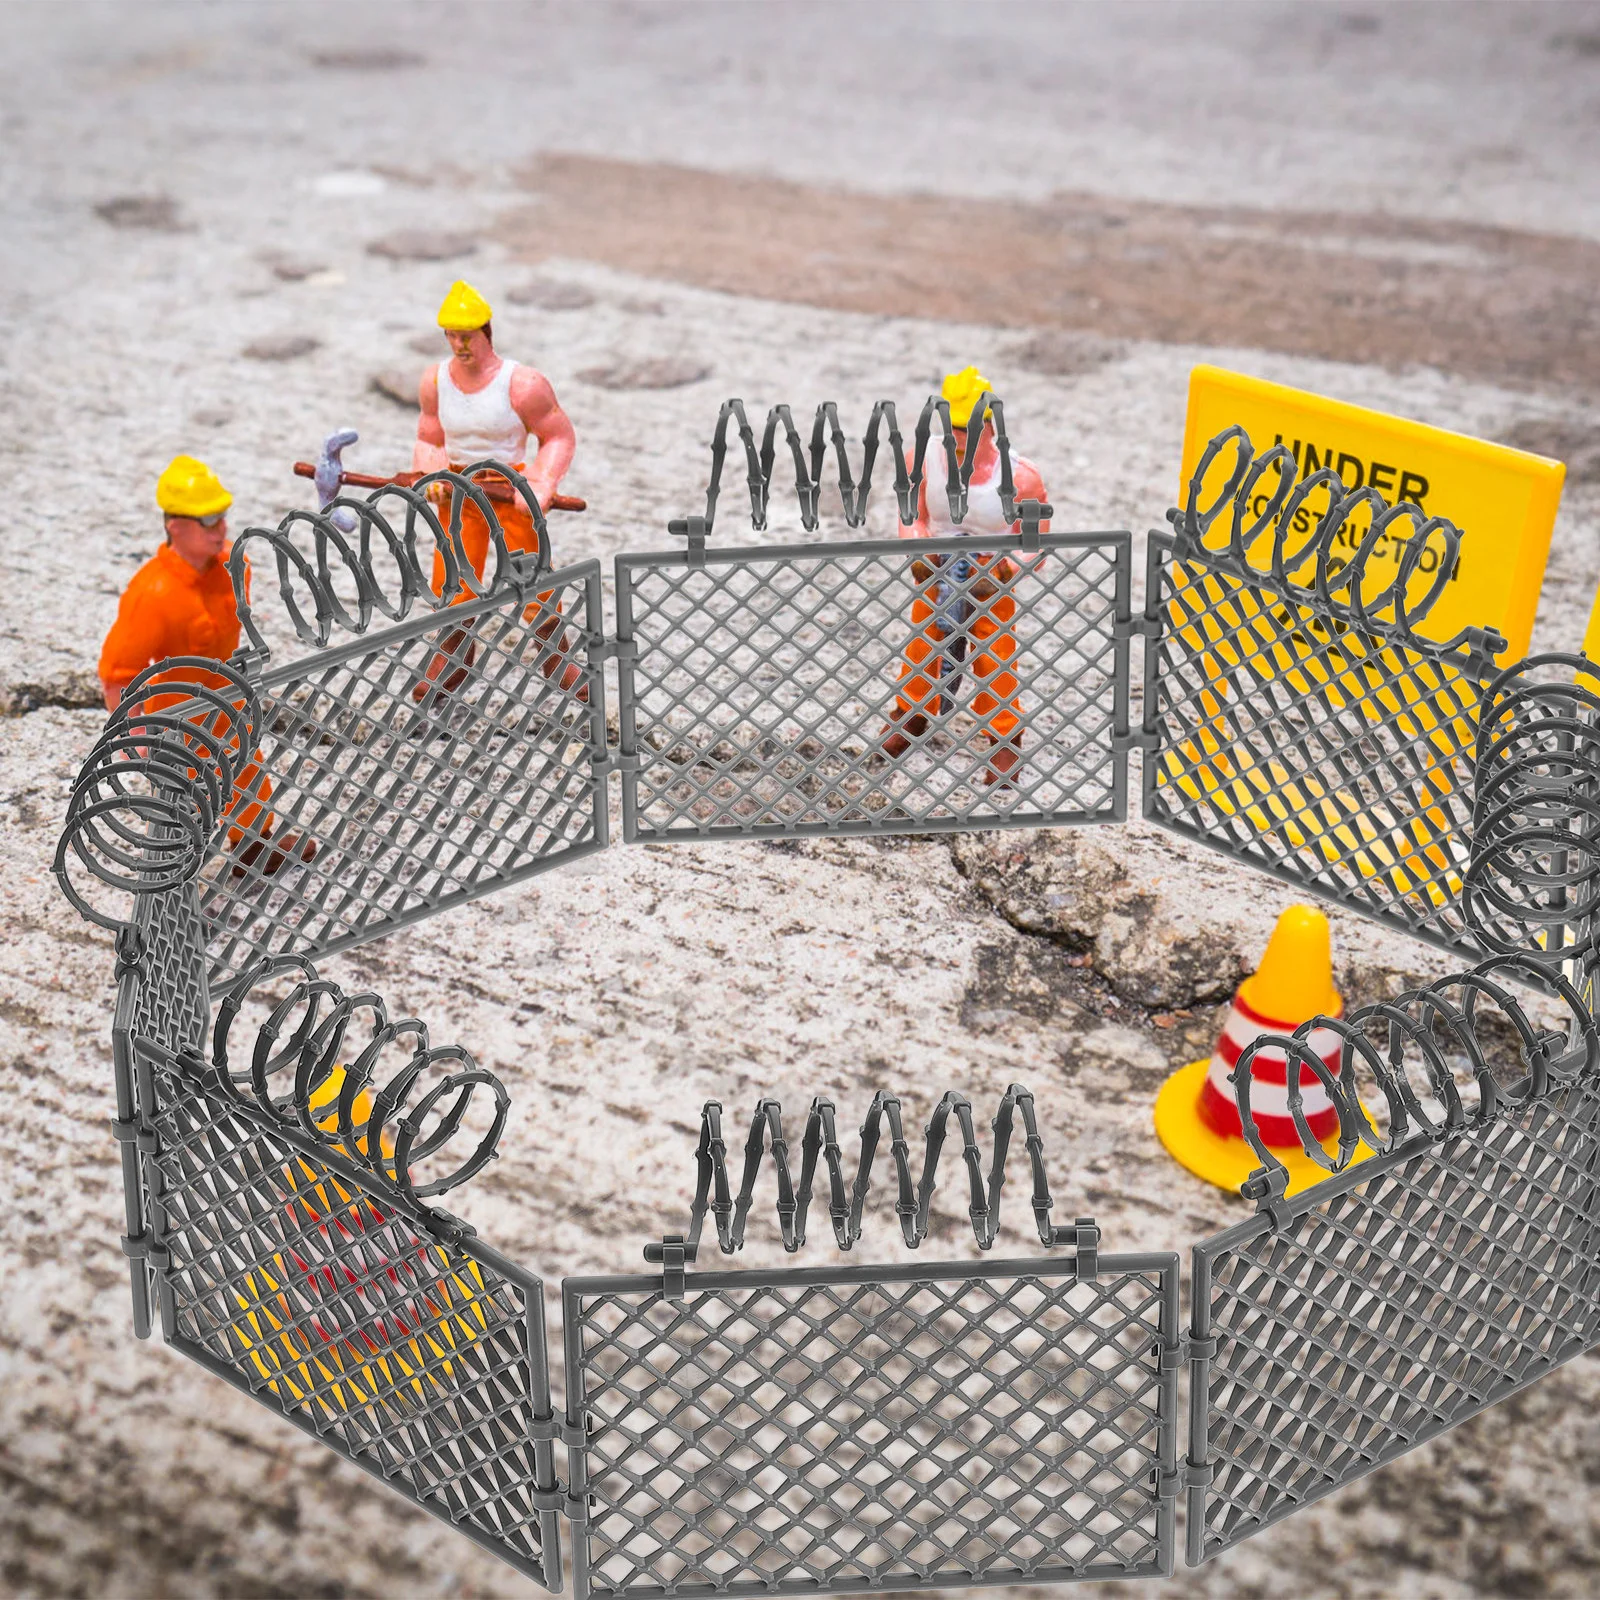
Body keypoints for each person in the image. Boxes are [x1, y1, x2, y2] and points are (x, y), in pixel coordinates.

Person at [99, 455, 314, 875]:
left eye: (223, 518)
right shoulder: (153, 594)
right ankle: (170, 872)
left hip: (226, 696)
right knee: (182, 794)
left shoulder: (235, 568)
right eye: (209, 521)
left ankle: (254, 844)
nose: (222, 530)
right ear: (175, 525)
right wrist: (136, 732)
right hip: (177, 709)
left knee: (247, 771)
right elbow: (117, 672)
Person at [881, 367, 1051, 788]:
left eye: (970, 427)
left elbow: (1035, 542)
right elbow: (911, 514)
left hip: (990, 573)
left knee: (996, 652)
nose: (960, 437)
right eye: (954, 426)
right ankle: (912, 713)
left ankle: (1005, 733)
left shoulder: (1021, 476)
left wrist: (1005, 570)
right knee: (923, 640)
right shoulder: (921, 458)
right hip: (938, 563)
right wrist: (917, 548)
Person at [411, 279, 581, 697]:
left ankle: (554, 657)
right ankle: (452, 655)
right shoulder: (435, 381)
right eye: (451, 336)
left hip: (509, 493)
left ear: (486, 332)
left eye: (465, 336)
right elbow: (428, 437)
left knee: (532, 575)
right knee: (453, 576)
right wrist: (430, 473)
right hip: (458, 491)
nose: (458, 345)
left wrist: (540, 482)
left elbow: (558, 436)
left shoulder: (521, 384)